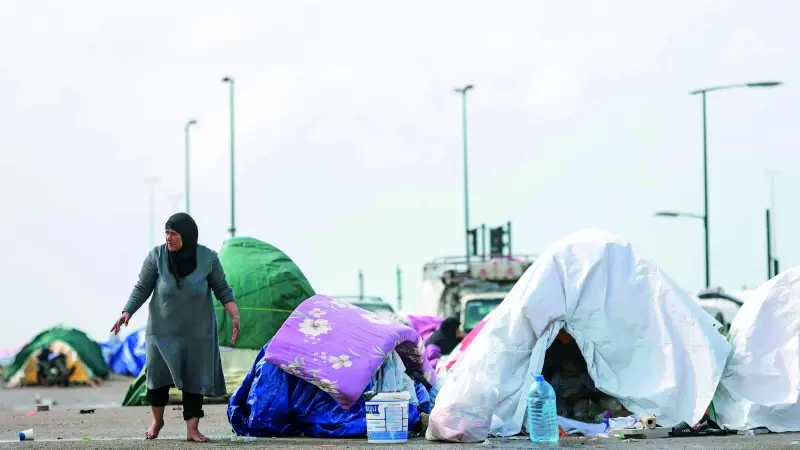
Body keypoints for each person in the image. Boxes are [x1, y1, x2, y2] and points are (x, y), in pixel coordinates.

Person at [111, 213, 240, 442]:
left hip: (197, 333)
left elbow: (222, 289)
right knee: (157, 379)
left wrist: (235, 315)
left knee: (194, 379)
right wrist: (126, 312)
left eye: (174, 234)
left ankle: (192, 429)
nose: (168, 238)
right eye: (167, 233)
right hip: (161, 332)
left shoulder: (208, 258)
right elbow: (142, 287)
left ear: (187, 236)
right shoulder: (157, 256)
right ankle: (157, 420)